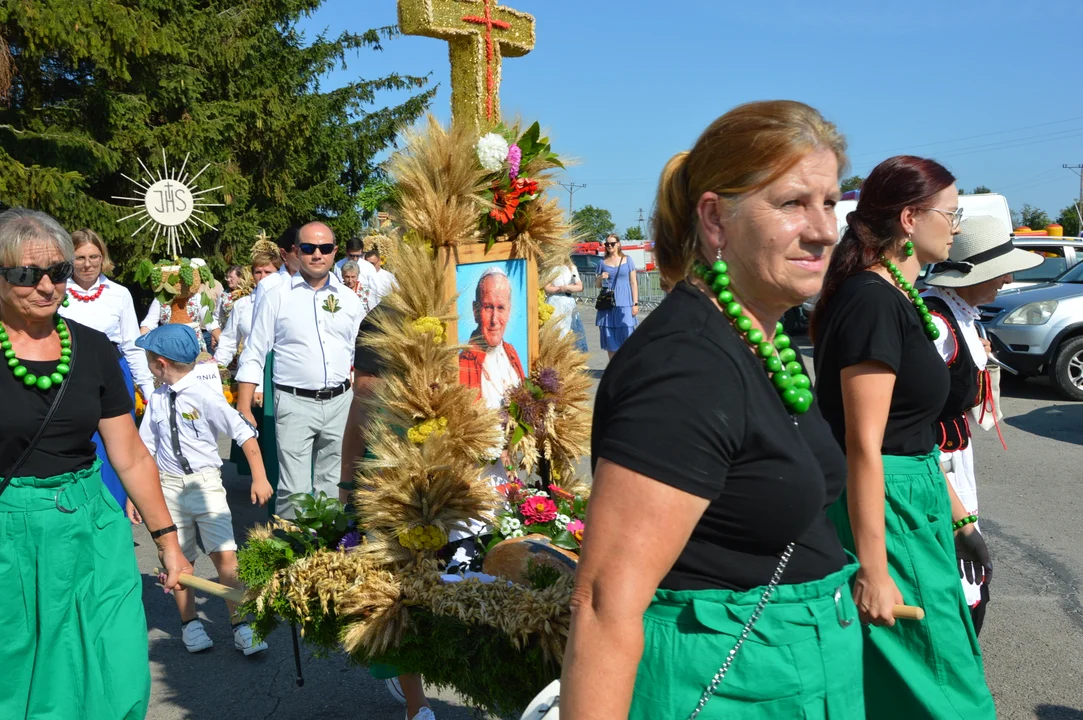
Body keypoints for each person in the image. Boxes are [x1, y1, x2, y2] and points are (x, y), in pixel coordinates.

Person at [561, 101, 864, 718]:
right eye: (792, 203)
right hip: (724, 686)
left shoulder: (761, 332)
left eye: (830, 202)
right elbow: (603, 604)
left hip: (786, 676)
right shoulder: (686, 366)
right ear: (715, 220)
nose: (825, 229)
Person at [812, 155, 996, 719]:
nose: (957, 225)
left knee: (915, 677)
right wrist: (873, 568)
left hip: (916, 499)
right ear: (911, 219)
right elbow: (865, 444)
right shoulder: (871, 299)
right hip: (886, 508)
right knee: (948, 691)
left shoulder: (899, 296)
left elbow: (912, 431)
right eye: (952, 211)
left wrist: (959, 515)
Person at [0, 208, 190, 719]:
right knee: (18, 672)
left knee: (115, 661)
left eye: (58, 272)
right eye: (26, 275)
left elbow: (129, 454)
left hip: (91, 524)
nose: (47, 286)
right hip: (10, 532)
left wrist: (169, 545)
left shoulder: (94, 349)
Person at [923, 214, 1040, 635]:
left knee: (967, 575)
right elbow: (911, 415)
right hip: (935, 464)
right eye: (999, 271)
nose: (1006, 280)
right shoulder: (936, 324)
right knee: (955, 576)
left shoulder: (963, 316)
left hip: (956, 458)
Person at [133, 324, 273, 655]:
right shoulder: (155, 399)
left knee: (226, 557)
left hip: (205, 483)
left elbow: (244, 434)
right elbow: (144, 449)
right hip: (166, 486)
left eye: (150, 359)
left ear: (161, 364)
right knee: (176, 559)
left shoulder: (206, 396)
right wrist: (134, 495)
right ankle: (189, 624)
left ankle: (241, 625)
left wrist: (260, 476)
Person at [339, 306, 436, 720]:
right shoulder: (382, 320)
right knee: (397, 591)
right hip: (386, 493)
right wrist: (347, 497)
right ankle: (418, 705)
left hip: (445, 491)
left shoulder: (446, 311)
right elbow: (356, 426)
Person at [236, 221, 364, 518]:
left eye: (325, 248)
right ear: (296, 251)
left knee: (333, 485)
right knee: (293, 491)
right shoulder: (277, 295)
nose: (317, 254)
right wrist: (244, 405)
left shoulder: (349, 299)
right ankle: (293, 556)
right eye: (308, 248)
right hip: (294, 402)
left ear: (335, 252)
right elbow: (255, 351)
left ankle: (328, 556)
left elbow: (361, 351)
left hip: (340, 402)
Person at [59, 228, 156, 507]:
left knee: (119, 448)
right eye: (79, 257)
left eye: (94, 256)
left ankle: (115, 518)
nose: (87, 264)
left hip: (113, 374)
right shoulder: (57, 290)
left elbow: (132, 344)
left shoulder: (119, 294)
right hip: (69, 375)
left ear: (103, 258)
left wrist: (147, 390)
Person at [458, 266, 525, 408]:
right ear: (475, 311)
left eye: (501, 308)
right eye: (488, 307)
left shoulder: (511, 353)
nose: (494, 320)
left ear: (509, 311)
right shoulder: (463, 364)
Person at [139, 257, 220, 353]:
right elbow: (149, 324)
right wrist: (139, 347)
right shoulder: (161, 299)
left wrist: (224, 345)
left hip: (195, 346)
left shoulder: (197, 298)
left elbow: (211, 324)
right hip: (169, 345)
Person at [595, 234, 638, 358]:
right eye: (607, 244)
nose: (609, 246)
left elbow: (633, 282)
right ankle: (613, 370)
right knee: (610, 338)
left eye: (612, 243)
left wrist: (635, 303)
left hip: (625, 301)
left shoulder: (628, 260)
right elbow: (597, 285)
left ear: (618, 244)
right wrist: (600, 277)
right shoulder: (601, 262)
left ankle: (627, 368)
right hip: (607, 303)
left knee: (627, 334)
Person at [543, 259, 588, 353]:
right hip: (555, 301)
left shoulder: (572, 267)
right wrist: (560, 289)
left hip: (568, 302)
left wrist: (568, 288)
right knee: (557, 330)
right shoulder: (549, 266)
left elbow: (580, 286)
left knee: (572, 330)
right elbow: (547, 288)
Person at [214, 264, 248, 329]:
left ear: (240, 278)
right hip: (226, 332)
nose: (228, 280)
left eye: (231, 277)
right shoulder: (223, 295)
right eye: (227, 277)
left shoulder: (247, 294)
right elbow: (217, 315)